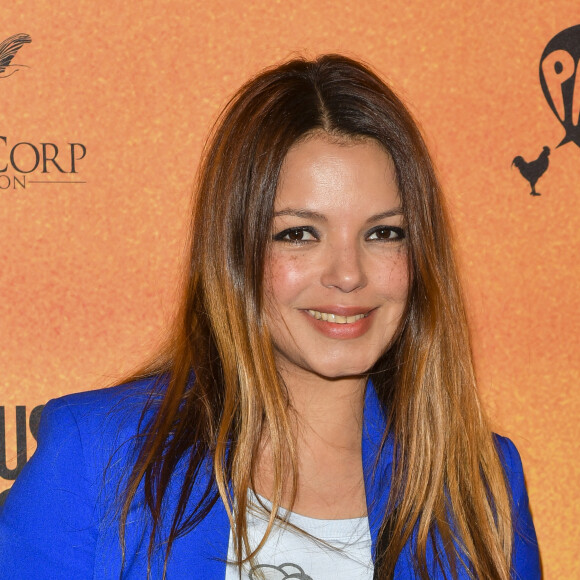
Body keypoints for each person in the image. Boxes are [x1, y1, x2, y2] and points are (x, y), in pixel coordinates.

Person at [0, 55, 541, 579]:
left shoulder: (480, 484)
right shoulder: (97, 458)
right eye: (299, 234)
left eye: (383, 233)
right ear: (235, 249)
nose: (348, 274)